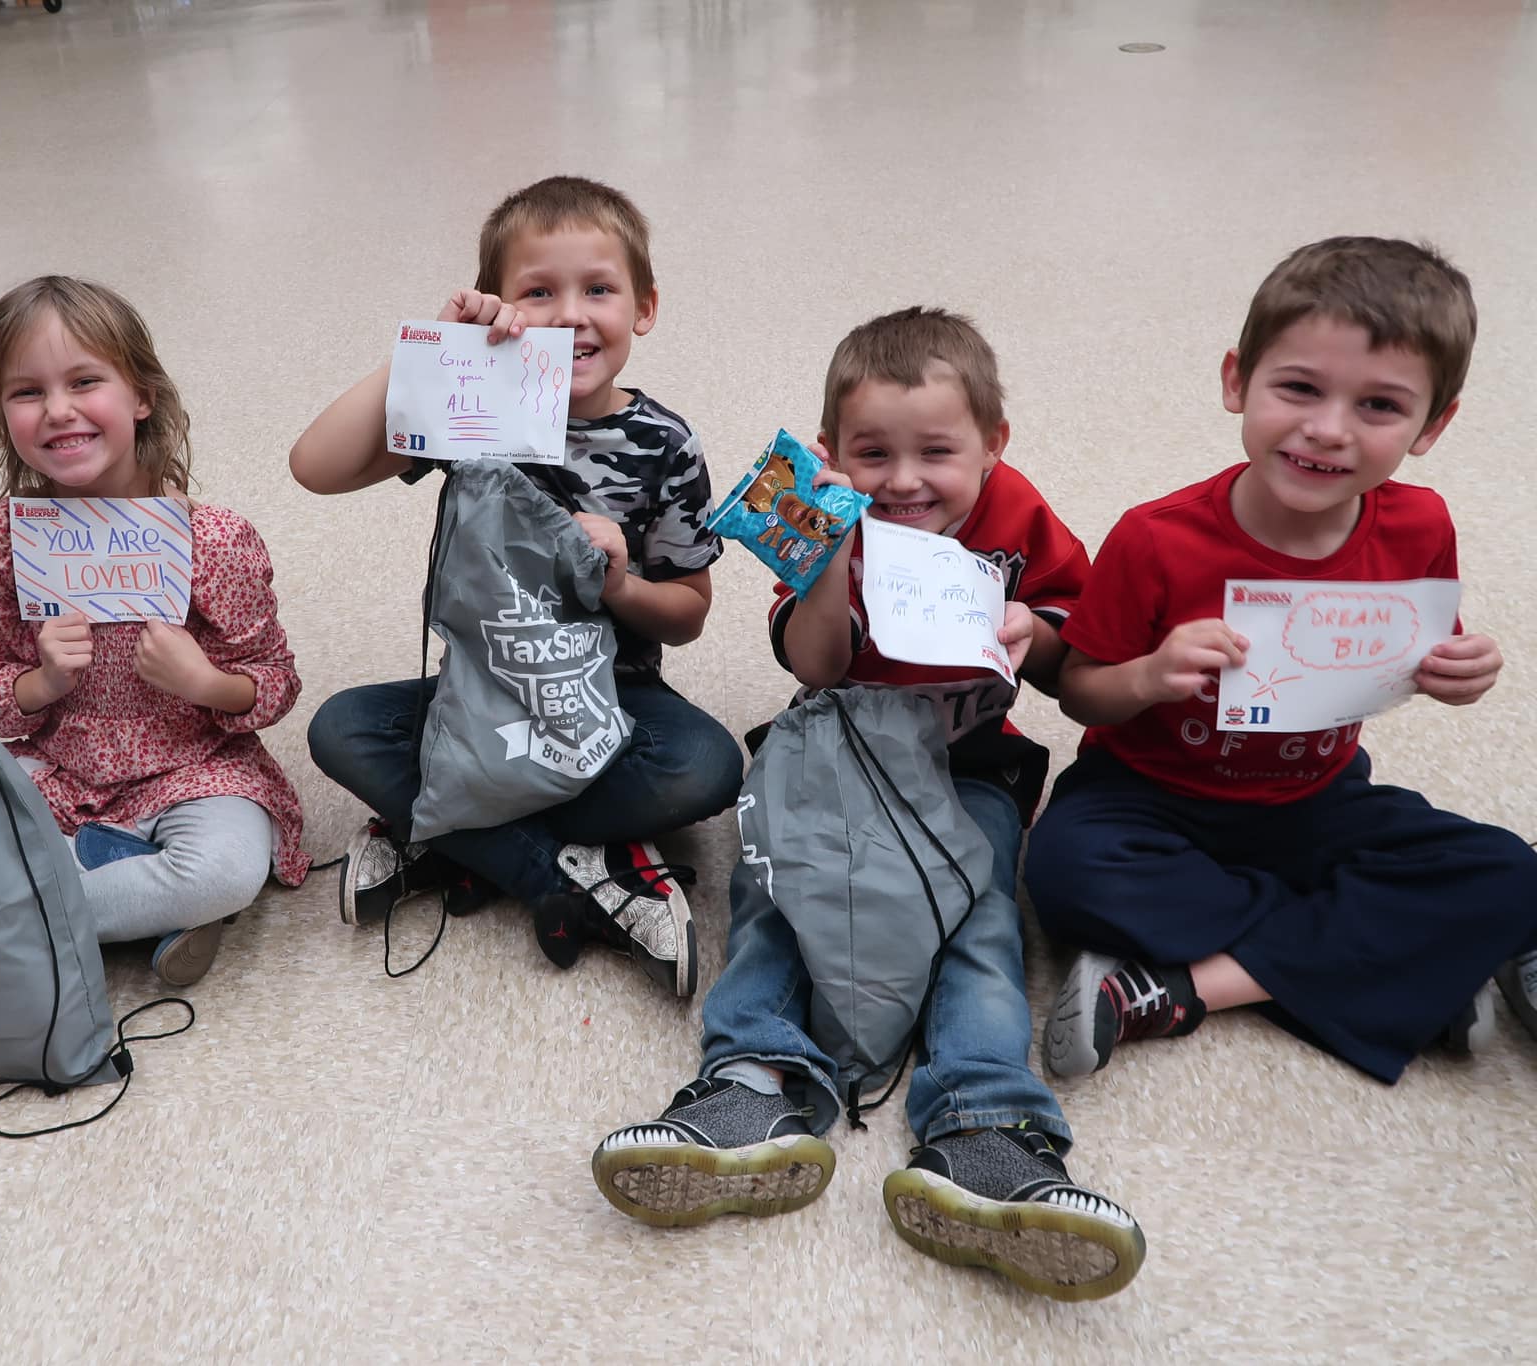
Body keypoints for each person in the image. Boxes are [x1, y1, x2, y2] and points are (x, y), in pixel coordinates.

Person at [592, 308, 1144, 1303]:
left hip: (969, 766)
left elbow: (1076, 648)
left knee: (975, 924)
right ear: (832, 452)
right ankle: (748, 1083)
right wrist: (827, 556)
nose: (902, 479)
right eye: (871, 452)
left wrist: (1035, 631)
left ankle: (984, 1127)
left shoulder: (1015, 511)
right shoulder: (822, 514)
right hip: (829, 756)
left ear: (992, 446)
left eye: (936, 451)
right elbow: (813, 661)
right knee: (769, 899)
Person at [1022, 236, 1537, 1085]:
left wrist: (1463, 669)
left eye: (1379, 406)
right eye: (1299, 388)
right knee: (1065, 871)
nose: (1327, 430)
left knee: (1512, 873)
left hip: (1320, 799)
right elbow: (1081, 693)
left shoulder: (1420, 525)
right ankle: (1394, 962)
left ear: (1432, 426)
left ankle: (1187, 989)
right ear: (1238, 381)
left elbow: (1420, 644)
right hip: (1150, 798)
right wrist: (1150, 675)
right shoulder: (1157, 537)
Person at [290, 175, 742, 997]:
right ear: (501, 305)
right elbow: (315, 468)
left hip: (613, 701)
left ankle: (448, 834)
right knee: (339, 730)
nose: (571, 314)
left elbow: (687, 617)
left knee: (707, 767)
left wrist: (619, 585)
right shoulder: (475, 403)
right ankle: (564, 873)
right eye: (540, 292)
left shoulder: (665, 443)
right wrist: (429, 351)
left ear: (644, 306)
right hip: (482, 701)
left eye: (599, 289)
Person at [0, 276, 306, 987]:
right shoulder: (4, 543)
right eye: (26, 393)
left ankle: (7, 927)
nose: (58, 411)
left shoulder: (214, 540)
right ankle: (127, 903)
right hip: (62, 773)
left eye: (85, 381)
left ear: (141, 396)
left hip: (197, 773)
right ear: (2, 415)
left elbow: (275, 684)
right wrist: (41, 681)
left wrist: (205, 682)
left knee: (225, 872)